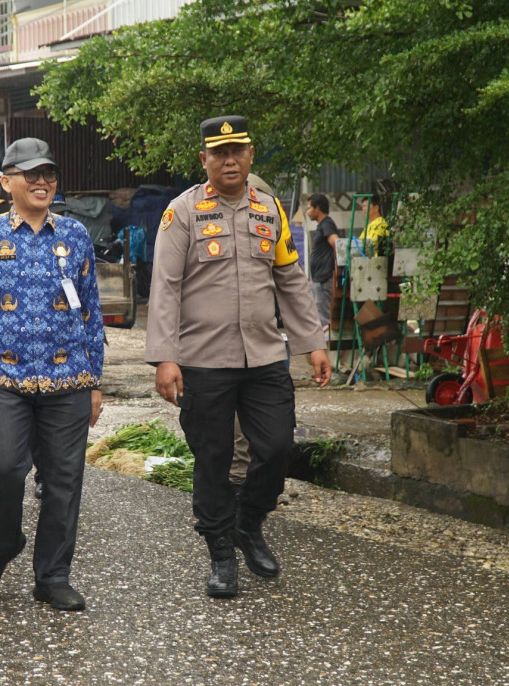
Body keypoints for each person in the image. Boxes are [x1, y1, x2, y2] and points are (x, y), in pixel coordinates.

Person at [146, 115, 331, 599]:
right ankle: (222, 556)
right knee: (213, 457)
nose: (229, 161)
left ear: (250, 156)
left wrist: (313, 343)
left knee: (275, 448)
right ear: (204, 159)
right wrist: (165, 357)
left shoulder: (270, 210)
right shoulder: (182, 212)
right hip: (203, 360)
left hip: (265, 356)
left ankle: (249, 524)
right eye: (219, 154)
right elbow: (165, 288)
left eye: (238, 152)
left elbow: (290, 280)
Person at [0, 137, 104, 612]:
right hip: (2, 377)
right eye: (30, 174)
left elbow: (90, 312)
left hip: (68, 379)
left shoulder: (74, 235)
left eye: (48, 174)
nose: (41, 182)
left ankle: (52, 575)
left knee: (63, 481)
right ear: (6, 181)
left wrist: (94, 381)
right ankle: (3, 541)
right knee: (5, 467)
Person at [307, 193, 340, 333]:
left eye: (309, 208)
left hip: (325, 279)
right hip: (319, 279)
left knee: (325, 319)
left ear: (317, 208)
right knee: (321, 316)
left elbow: (336, 243)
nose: (307, 211)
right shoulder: (323, 225)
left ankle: (329, 349)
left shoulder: (326, 223)